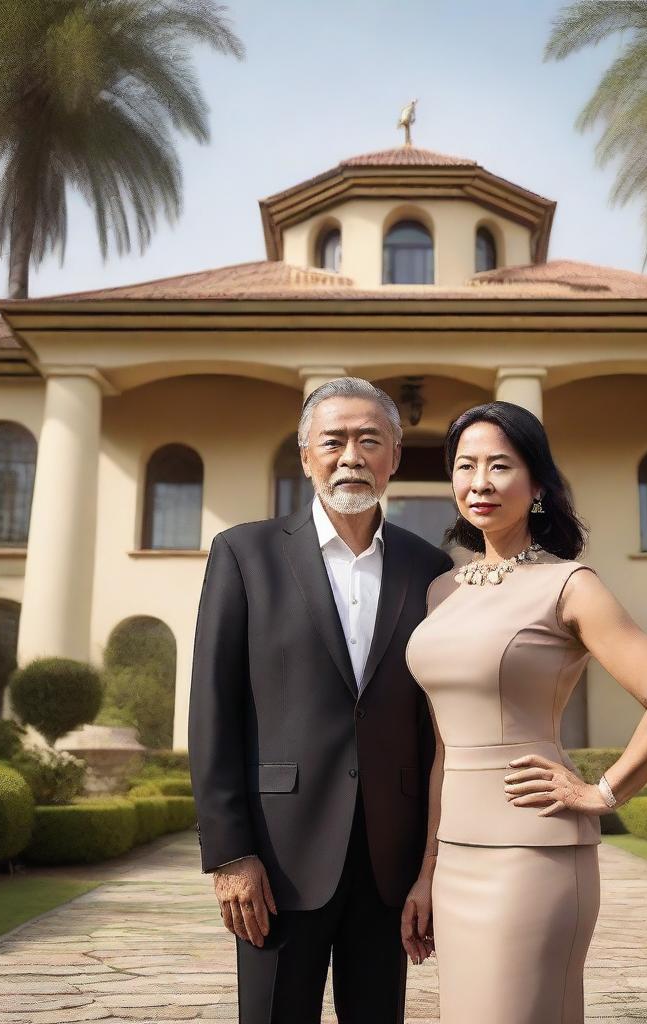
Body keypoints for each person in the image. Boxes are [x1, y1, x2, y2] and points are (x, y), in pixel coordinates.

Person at [400, 401, 647, 1024]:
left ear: (537, 484)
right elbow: (442, 751)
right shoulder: (442, 590)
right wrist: (427, 871)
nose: (479, 482)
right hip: (455, 855)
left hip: (533, 852)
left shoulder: (571, 584)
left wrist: (603, 791)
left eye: (499, 466)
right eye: (465, 466)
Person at [188, 377, 453, 1024]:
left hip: (389, 863)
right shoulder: (244, 555)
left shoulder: (430, 570)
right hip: (277, 860)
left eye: (371, 441)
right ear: (306, 456)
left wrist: (431, 865)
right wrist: (229, 853)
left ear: (394, 456)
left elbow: (434, 726)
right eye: (333, 440)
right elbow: (213, 710)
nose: (352, 456)